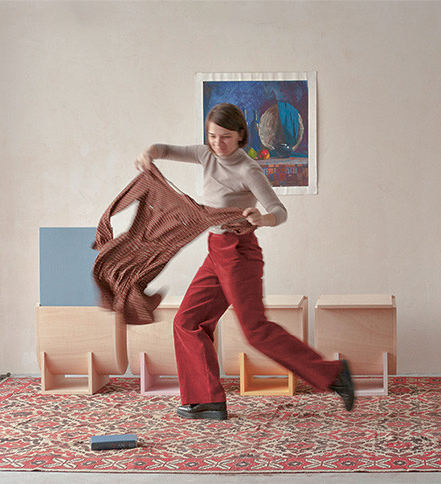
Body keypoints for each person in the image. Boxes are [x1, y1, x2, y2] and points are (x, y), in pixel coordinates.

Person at [135, 103, 354, 420]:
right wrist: (149, 153)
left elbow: (279, 211)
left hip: (239, 253)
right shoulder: (205, 155)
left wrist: (262, 219)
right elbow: (165, 149)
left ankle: (334, 374)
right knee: (187, 321)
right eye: (212, 136)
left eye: (225, 137)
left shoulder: (248, 170)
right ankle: (206, 400)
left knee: (255, 331)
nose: (217, 143)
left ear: (240, 134)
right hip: (215, 250)